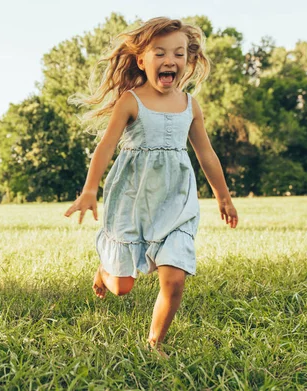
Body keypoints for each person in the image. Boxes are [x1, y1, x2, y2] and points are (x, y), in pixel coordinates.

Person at [64, 17, 239, 357]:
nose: (170, 59)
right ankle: (105, 269)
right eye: (159, 52)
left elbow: (206, 153)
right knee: (121, 287)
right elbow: (105, 147)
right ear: (141, 60)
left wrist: (224, 197)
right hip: (132, 198)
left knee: (174, 277)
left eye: (178, 53)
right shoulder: (130, 101)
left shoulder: (190, 105)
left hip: (176, 201)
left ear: (188, 60)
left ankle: (155, 342)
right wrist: (89, 190)